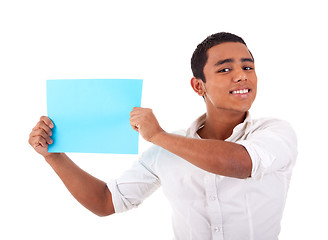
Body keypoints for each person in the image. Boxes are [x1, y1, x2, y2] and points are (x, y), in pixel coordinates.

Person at [28, 32, 297, 240]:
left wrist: (158, 135)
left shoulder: (275, 132)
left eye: (248, 68)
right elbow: (106, 201)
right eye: (225, 69)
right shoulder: (165, 151)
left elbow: (240, 164)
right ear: (198, 85)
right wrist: (54, 156)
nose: (241, 76)